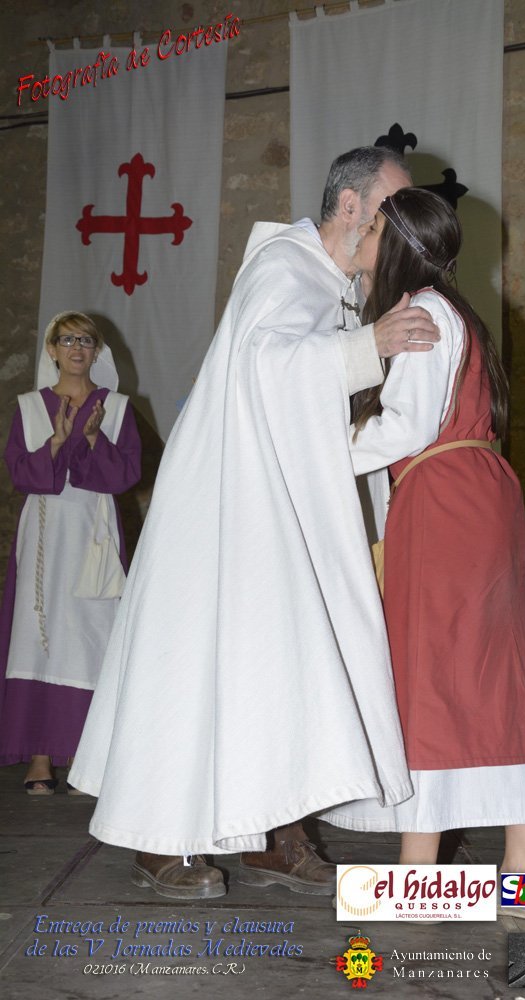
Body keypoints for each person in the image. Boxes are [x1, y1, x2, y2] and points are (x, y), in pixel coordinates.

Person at [68, 148, 440, 899]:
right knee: (199, 662)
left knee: (278, 663)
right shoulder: (284, 266)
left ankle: (274, 832)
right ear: (349, 207)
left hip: (282, 505)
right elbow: (267, 367)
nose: (397, 225)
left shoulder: (337, 285)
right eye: (389, 208)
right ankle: (158, 837)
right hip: (227, 509)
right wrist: (368, 346)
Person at [321, 188, 525, 918]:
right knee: (492, 673)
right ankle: (516, 870)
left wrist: (317, 448)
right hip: (477, 493)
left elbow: (405, 426)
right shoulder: (458, 312)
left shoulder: (422, 312)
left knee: (431, 671)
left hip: (445, 501)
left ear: (396, 244)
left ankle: (422, 873)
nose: (359, 243)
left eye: (369, 232)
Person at [0, 311, 141, 793]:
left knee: (90, 634)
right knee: (38, 634)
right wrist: (56, 443)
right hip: (44, 534)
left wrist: (94, 438)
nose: (76, 348)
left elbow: (125, 476)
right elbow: (21, 473)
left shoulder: (116, 407)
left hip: (94, 533)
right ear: (51, 350)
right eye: (67, 340)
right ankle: (40, 755)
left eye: (85, 340)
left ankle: (87, 755)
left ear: (96, 351)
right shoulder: (29, 408)